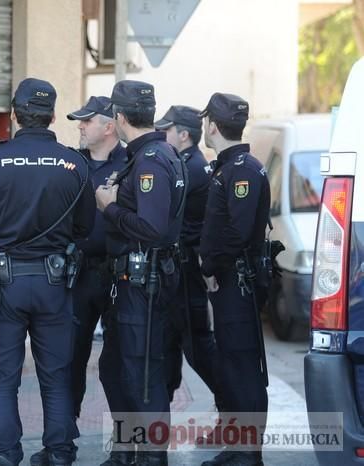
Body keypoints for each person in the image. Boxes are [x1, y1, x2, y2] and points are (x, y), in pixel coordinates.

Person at [0, 78, 96, 466]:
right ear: (52, 116)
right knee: (56, 375)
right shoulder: (74, 163)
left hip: (5, 282)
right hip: (55, 283)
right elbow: (86, 227)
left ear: (15, 114)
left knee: (5, 376)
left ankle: (4, 453)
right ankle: (60, 452)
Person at [29, 95, 126, 466]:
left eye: (87, 121)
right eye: (78, 121)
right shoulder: (70, 164)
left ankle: (124, 447)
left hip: (118, 274)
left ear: (109, 126)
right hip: (78, 273)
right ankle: (60, 444)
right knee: (68, 362)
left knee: (118, 366)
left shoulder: (131, 163)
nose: (80, 126)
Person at [95, 80, 186, 466]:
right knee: (119, 368)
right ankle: (127, 450)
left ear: (117, 118)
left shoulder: (150, 159)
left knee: (142, 375)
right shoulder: (156, 153)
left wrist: (109, 206)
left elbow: (152, 228)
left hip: (143, 284)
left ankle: (149, 457)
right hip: (139, 281)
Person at [198, 93, 270, 466]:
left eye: (204, 120)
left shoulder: (240, 169)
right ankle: (238, 445)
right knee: (231, 363)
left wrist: (210, 267)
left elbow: (238, 233)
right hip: (228, 282)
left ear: (212, 125)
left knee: (242, 367)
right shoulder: (229, 167)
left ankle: (248, 452)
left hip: (235, 282)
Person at [154, 106, 221, 406]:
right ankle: (161, 413)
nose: (162, 134)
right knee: (170, 343)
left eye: (166, 129)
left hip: (186, 270)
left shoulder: (189, 167)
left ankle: (231, 408)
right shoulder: (190, 163)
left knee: (198, 346)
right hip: (183, 268)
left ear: (184, 134)